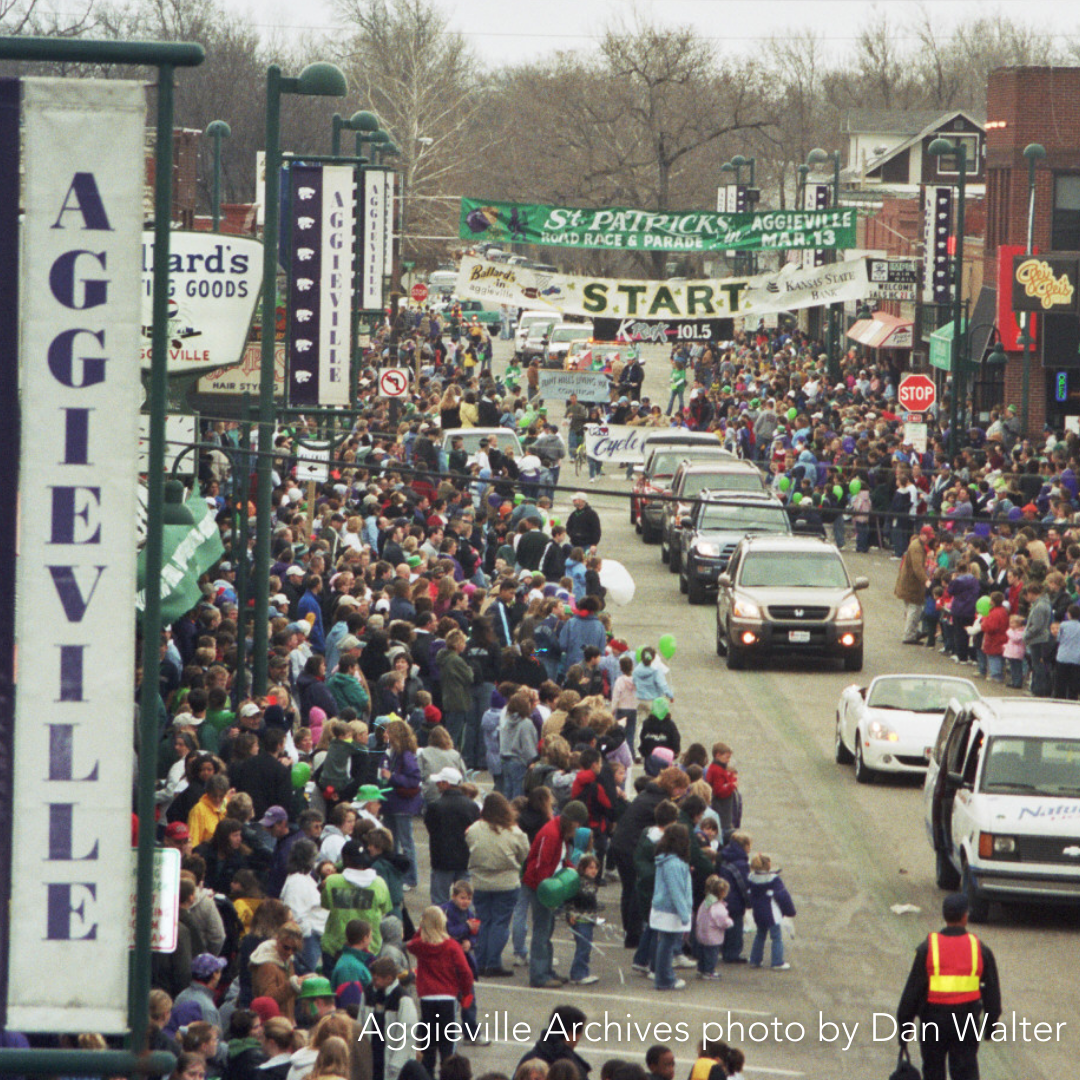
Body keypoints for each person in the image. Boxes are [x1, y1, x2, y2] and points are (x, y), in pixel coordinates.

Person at [896, 893, 1002, 1080]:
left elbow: (912, 992)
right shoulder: (979, 948)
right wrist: (990, 1025)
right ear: (965, 916)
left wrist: (904, 1029)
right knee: (965, 1072)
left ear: (944, 916)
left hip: (933, 1022)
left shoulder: (928, 948)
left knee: (933, 1071)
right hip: (965, 1022)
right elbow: (992, 992)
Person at [522, 800, 590, 988]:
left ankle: (546, 970)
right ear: (572, 821)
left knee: (547, 930)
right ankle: (539, 976)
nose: (577, 829)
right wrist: (548, 893)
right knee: (542, 932)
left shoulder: (560, 832)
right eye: (577, 825)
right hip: (541, 888)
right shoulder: (551, 834)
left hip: (549, 887)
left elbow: (560, 860)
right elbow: (539, 866)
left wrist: (572, 869)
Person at [465, 791, 529, 977]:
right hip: (506, 883)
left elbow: (468, 844)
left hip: (480, 882)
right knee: (500, 923)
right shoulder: (514, 832)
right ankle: (493, 962)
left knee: (483, 921)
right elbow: (524, 854)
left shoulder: (474, 829)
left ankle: (479, 961)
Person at [407, 906, 474, 1075]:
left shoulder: (419, 946)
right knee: (447, 1044)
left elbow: (411, 942)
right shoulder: (451, 946)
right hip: (447, 997)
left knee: (428, 1043)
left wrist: (424, 927)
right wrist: (466, 993)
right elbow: (465, 972)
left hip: (427, 997)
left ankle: (427, 1075)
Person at [650, 823, 693, 992]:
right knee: (667, 944)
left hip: (666, 909)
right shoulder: (674, 864)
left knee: (666, 943)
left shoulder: (669, 860)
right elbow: (676, 891)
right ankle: (665, 979)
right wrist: (684, 914)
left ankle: (665, 977)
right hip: (671, 910)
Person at [747, 853, 795, 971]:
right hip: (772, 913)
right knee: (776, 937)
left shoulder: (751, 878)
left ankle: (755, 960)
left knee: (760, 935)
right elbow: (783, 896)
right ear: (768, 866)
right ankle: (777, 962)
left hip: (758, 912)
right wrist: (790, 911)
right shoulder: (774, 879)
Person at [894, 526, 934, 645]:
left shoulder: (917, 544)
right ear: (923, 535)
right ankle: (909, 635)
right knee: (915, 609)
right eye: (928, 537)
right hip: (912, 584)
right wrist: (926, 581)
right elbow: (918, 568)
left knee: (910, 608)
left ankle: (913, 632)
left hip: (907, 582)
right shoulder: (917, 547)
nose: (929, 540)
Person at [694, 875, 733, 980]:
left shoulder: (706, 902)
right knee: (712, 955)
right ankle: (709, 972)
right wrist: (730, 922)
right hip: (712, 935)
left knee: (702, 953)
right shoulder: (718, 907)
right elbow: (722, 921)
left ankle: (701, 970)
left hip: (702, 932)